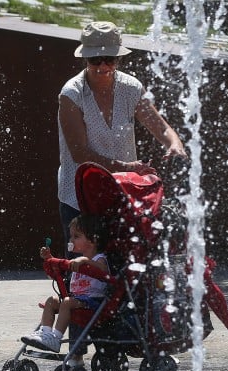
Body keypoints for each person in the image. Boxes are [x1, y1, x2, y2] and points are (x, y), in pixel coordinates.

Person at [57, 20, 188, 256]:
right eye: (95, 59)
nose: (103, 65)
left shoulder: (130, 87)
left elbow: (161, 127)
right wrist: (128, 167)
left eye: (110, 58)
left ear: (119, 58)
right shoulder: (71, 94)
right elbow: (79, 152)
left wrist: (175, 145)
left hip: (121, 195)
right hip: (80, 199)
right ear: (85, 59)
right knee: (82, 277)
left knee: (126, 270)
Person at [21, 214, 109, 366]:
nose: (71, 240)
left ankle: (56, 338)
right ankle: (46, 334)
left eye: (76, 236)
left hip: (93, 301)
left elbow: (102, 270)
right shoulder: (75, 260)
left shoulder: (99, 258)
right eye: (71, 236)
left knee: (66, 302)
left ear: (92, 240)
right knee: (52, 301)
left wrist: (84, 261)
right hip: (76, 299)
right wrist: (49, 258)